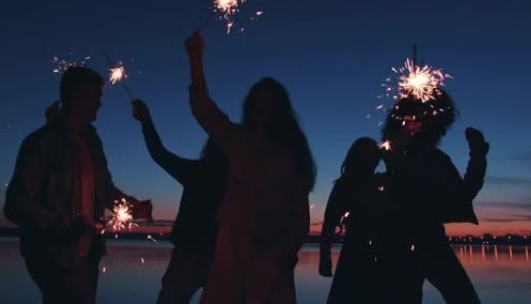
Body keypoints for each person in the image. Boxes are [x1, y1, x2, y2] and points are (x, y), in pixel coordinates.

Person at [186, 31, 315, 304]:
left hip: (272, 253)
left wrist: (288, 248)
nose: (263, 108)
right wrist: (195, 58)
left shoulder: (291, 153)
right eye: (258, 101)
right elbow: (203, 109)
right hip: (230, 249)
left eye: (269, 103)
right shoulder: (238, 140)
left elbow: (299, 210)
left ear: (280, 109)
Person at [4, 66, 151, 304]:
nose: (99, 105)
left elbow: (103, 189)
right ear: (76, 96)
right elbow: (16, 205)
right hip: (54, 258)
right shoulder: (41, 143)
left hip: (88, 255)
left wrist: (130, 207)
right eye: (96, 96)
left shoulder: (92, 142)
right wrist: (67, 225)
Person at [380, 91, 489, 304]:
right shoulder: (422, 161)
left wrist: (478, 155)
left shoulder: (401, 159)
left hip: (410, 243)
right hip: (420, 243)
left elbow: (463, 194)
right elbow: (465, 193)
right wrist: (478, 155)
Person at [130, 98, 227, 304]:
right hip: (210, 257)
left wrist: (146, 121)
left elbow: (159, 154)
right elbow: (159, 154)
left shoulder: (198, 172)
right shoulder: (209, 174)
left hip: (204, 257)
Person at [319, 137, 385, 303]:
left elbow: (329, 222)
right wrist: (325, 256)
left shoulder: (378, 182)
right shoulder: (347, 184)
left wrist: (325, 256)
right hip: (358, 253)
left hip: (373, 253)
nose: (375, 162)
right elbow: (329, 222)